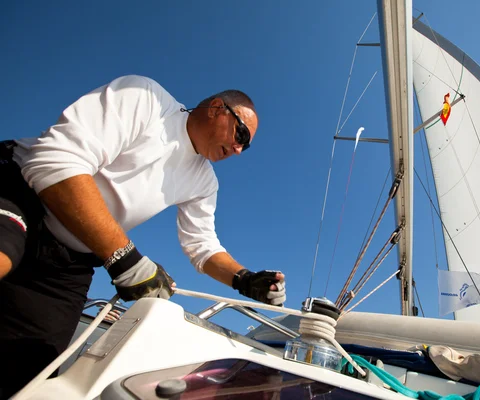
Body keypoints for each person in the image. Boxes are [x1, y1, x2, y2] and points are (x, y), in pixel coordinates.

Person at [0, 75, 286, 398]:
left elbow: (202, 247)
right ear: (217, 109)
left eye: (245, 146)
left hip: (71, 262)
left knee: (28, 374)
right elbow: (55, 161)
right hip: (20, 195)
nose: (238, 149)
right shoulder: (147, 100)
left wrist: (244, 279)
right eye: (241, 134)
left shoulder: (204, 183)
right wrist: (124, 259)